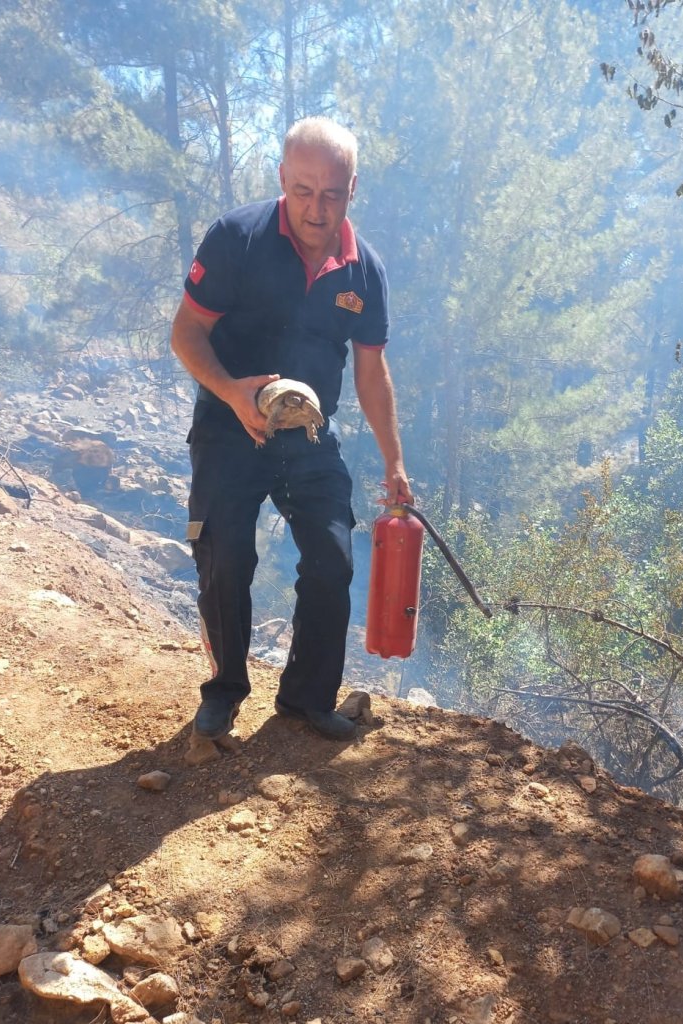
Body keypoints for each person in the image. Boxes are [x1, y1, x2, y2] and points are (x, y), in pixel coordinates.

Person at [171, 116, 413, 742]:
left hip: (307, 434)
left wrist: (394, 462)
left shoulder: (365, 272)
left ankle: (306, 699)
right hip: (230, 423)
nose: (316, 207)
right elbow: (186, 332)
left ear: (351, 190)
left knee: (333, 557)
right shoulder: (237, 238)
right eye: (303, 190)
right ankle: (224, 692)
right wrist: (232, 391)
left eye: (331, 193)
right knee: (226, 555)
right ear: (283, 179)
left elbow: (370, 371)